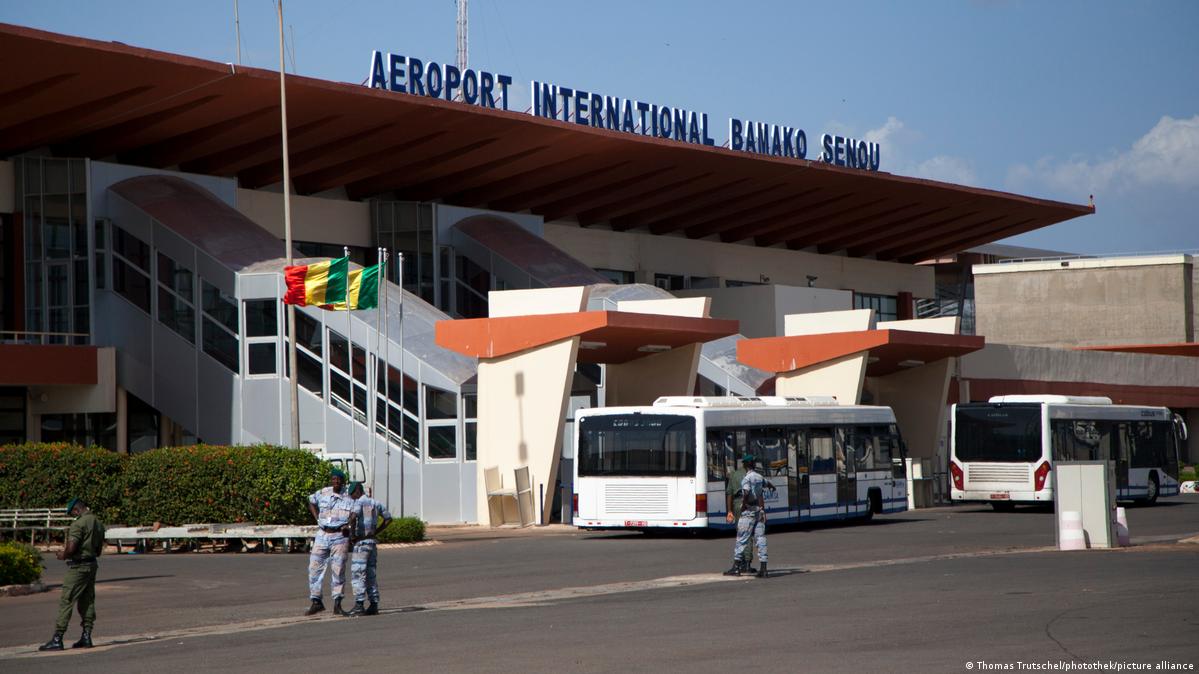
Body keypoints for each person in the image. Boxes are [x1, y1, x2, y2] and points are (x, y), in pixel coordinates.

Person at [39, 497, 105, 651]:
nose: (73, 516)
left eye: (72, 513)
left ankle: (57, 638)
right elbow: (99, 551)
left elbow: (72, 548)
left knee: (67, 600)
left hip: (78, 567)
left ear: (76, 510)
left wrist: (63, 555)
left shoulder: (78, 524)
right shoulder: (99, 524)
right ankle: (86, 636)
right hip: (92, 565)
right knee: (87, 601)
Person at [305, 468, 355, 616]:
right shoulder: (324, 492)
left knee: (338, 570)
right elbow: (311, 501)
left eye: (338, 479)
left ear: (343, 481)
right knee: (314, 568)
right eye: (334, 479)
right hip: (323, 534)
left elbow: (355, 511)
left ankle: (337, 603)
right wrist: (316, 518)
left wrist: (350, 524)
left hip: (339, 535)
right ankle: (316, 601)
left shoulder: (349, 496)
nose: (336, 482)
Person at [345, 481, 392, 616]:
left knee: (358, 574)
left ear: (358, 491)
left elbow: (353, 518)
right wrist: (376, 531)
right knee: (371, 574)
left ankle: (359, 604)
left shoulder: (359, 503)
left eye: (352, 494)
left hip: (361, 543)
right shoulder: (375, 503)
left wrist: (352, 535)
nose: (352, 497)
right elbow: (388, 518)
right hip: (372, 543)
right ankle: (374, 604)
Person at [723, 455, 769, 578]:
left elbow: (743, 493)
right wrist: (763, 511)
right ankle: (763, 568)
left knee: (742, 537)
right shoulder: (759, 477)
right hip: (758, 510)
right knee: (760, 539)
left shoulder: (742, 477)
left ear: (744, 464)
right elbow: (763, 492)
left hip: (747, 510)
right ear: (753, 464)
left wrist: (741, 506)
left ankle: (737, 567)